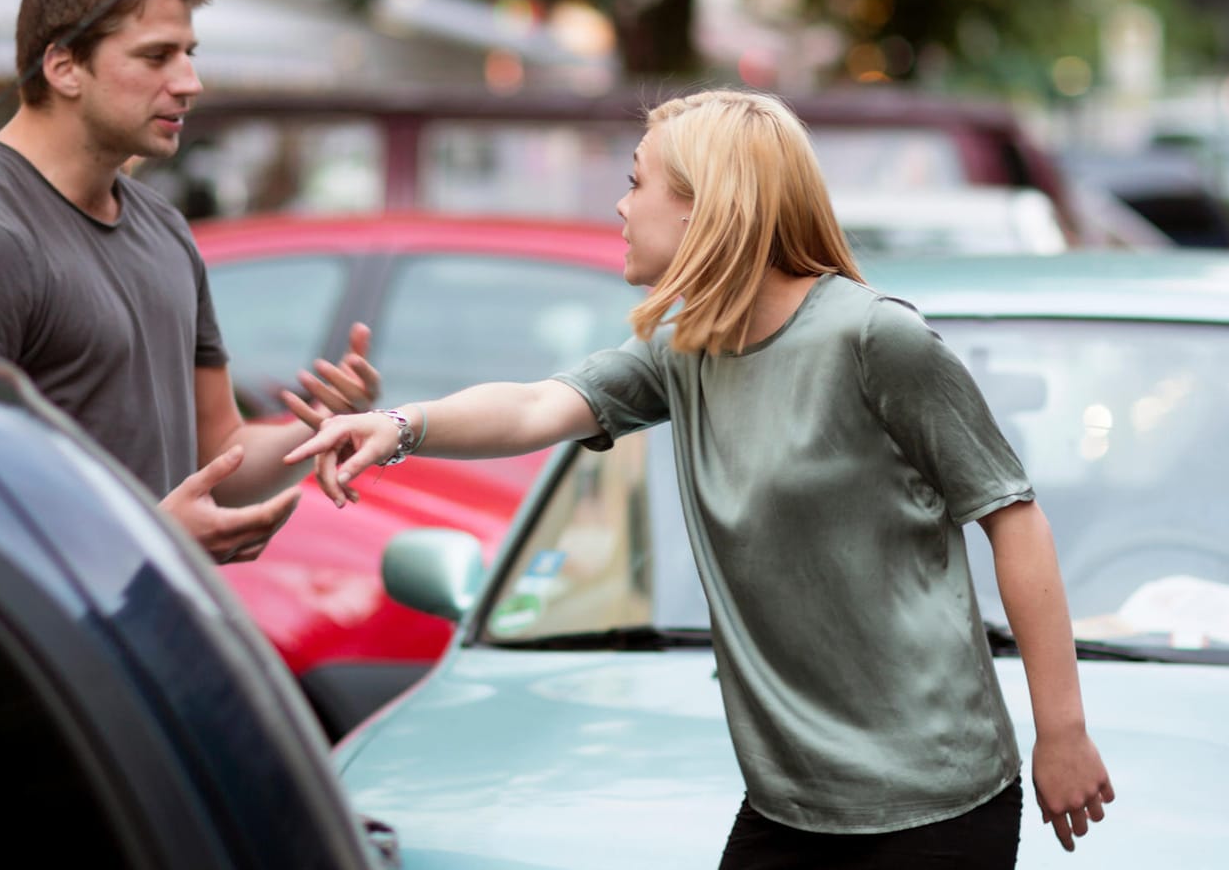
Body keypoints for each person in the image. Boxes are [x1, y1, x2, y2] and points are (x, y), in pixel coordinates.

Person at [284, 89, 1114, 868]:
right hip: (788, 807)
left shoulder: (873, 341)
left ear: (705, 204)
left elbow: (1013, 515)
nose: (619, 204)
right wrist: (399, 427)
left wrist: (1062, 730)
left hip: (934, 809)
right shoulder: (686, 352)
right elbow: (537, 405)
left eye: (636, 181)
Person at [0, 0, 378, 564]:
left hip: (146, 638)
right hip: (28, 658)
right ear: (64, 65)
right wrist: (145, 539)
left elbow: (220, 454)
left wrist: (316, 432)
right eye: (157, 57)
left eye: (189, 53)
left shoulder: (165, 228)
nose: (189, 82)